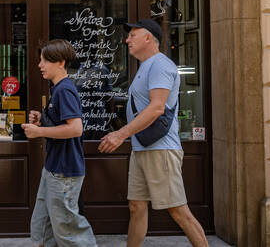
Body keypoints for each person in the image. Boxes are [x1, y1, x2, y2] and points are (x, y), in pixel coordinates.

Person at [98, 19, 208, 247]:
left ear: (148, 38)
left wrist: (120, 135)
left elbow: (157, 107)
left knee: (178, 211)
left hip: (160, 149)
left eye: (133, 35)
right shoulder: (146, 66)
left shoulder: (160, 65)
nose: (127, 40)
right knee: (136, 206)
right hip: (143, 148)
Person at [21, 39, 97, 247]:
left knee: (68, 230)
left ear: (61, 62)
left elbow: (75, 128)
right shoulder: (59, 89)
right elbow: (62, 124)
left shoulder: (64, 89)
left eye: (45, 60)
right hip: (54, 168)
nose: (40, 65)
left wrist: (39, 131)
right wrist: (42, 119)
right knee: (42, 227)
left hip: (64, 171)